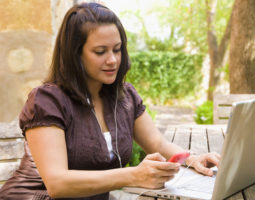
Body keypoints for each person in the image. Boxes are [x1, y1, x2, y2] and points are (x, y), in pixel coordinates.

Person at [0, 2, 220, 200]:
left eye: (117, 49)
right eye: (100, 51)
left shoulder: (125, 97)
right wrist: (133, 175)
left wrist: (192, 159)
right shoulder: (48, 101)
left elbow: (159, 144)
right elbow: (57, 184)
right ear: (75, 55)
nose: (112, 60)